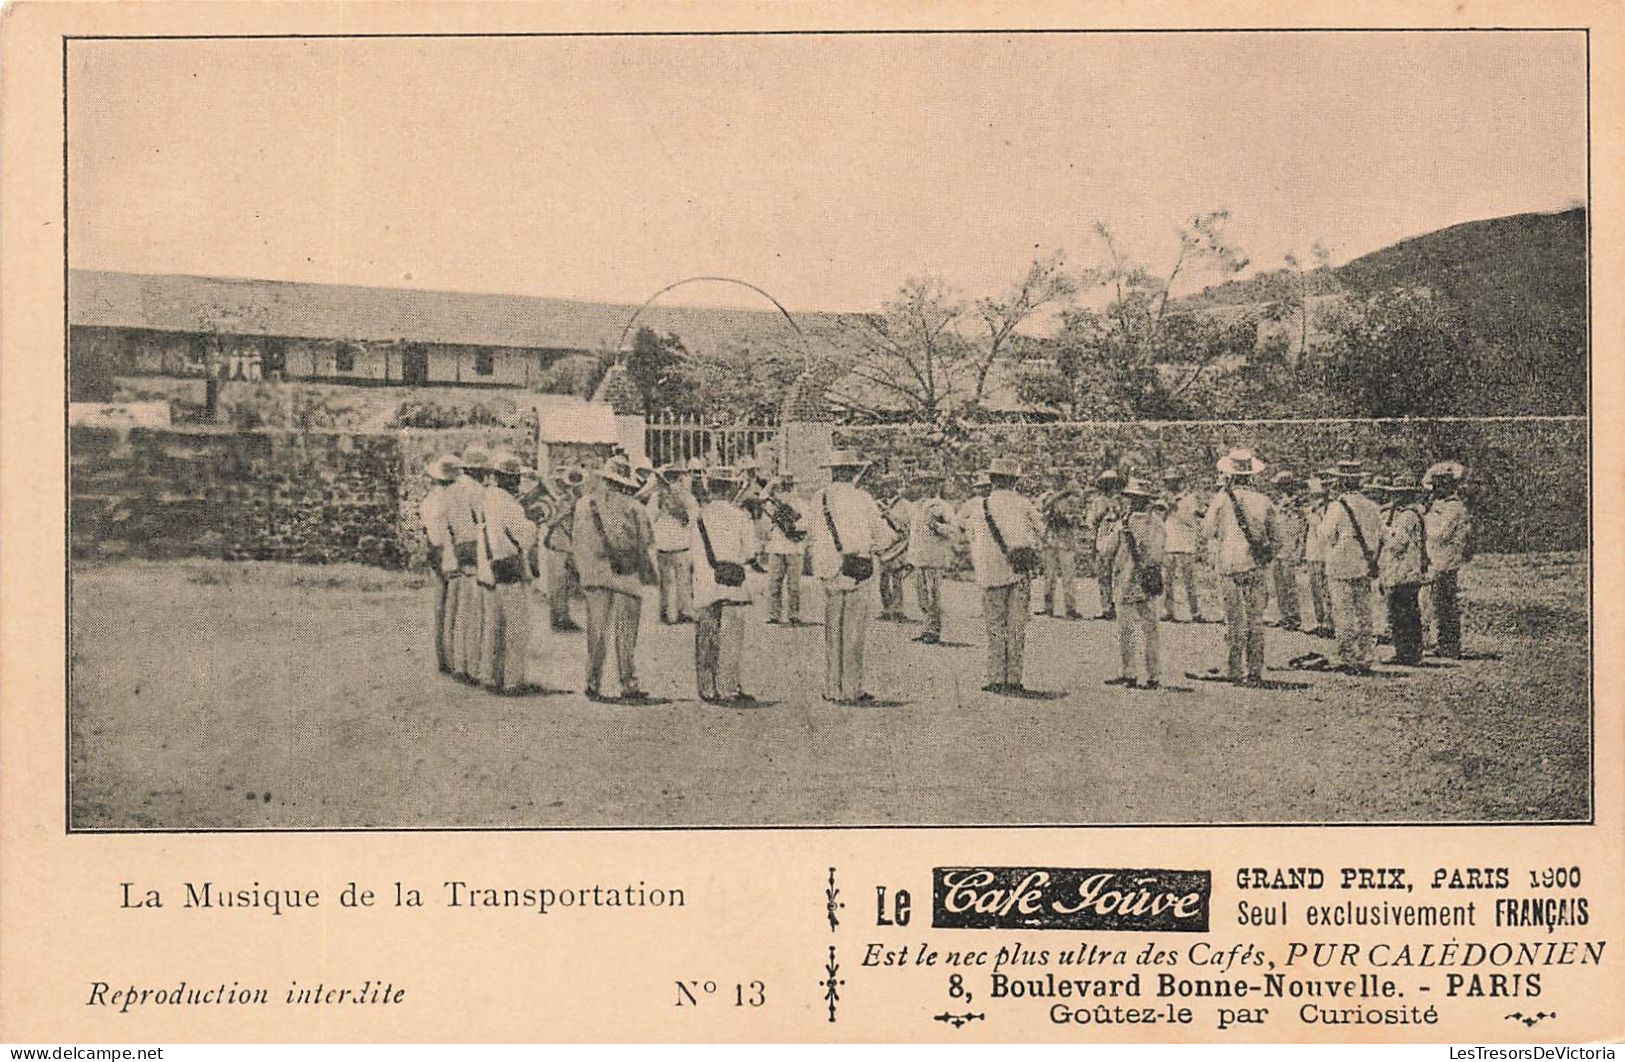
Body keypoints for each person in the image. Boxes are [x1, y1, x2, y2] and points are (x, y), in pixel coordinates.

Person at [808, 449, 895, 704]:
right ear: (855, 472)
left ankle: (831, 687)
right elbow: (882, 538)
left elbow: (811, 531)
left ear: (833, 472)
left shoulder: (819, 498)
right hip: (858, 566)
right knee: (854, 631)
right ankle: (851, 688)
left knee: (832, 628)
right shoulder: (863, 499)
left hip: (830, 567)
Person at [573, 455, 657, 702]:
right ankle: (628, 682)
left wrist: (586, 570)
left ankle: (593, 681)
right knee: (626, 633)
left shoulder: (583, 505)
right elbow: (646, 541)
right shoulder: (635, 507)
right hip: (626, 574)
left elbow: (578, 542)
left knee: (596, 633)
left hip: (594, 575)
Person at [961, 458, 1044, 693]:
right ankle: (1014, 678)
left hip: (990, 572)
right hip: (1019, 570)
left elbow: (971, 537)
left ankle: (997, 677)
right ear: (1014, 481)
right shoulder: (1024, 503)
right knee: (1016, 626)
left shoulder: (980, 506)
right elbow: (1041, 530)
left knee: (995, 626)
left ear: (993, 480)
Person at [1202, 448, 1280, 686]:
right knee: (1255, 620)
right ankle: (1255, 670)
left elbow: (1206, 531)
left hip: (1228, 565)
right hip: (1254, 565)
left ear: (1229, 474)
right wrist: (1266, 556)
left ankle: (1234, 669)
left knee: (1234, 619)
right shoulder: (1264, 501)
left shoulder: (1221, 500)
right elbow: (1278, 539)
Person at [691, 466, 758, 703]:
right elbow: (751, 552)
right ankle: (728, 687)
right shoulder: (740, 515)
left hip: (705, 581)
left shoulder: (697, 515)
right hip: (733, 581)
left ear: (709, 487)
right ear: (730, 488)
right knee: (730, 638)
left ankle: (706, 688)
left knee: (706, 637)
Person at [478, 451, 539, 694]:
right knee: (517, 625)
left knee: (494, 624)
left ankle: (489, 675)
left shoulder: (489, 497)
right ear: (510, 479)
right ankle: (513, 679)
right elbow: (525, 538)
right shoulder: (510, 505)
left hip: (491, 565)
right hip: (510, 565)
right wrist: (533, 522)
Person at [1101, 477, 1166, 689]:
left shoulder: (1122, 525)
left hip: (1125, 582)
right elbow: (1158, 555)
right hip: (1148, 581)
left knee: (1126, 630)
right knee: (1151, 630)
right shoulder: (1157, 524)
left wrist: (1103, 531)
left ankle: (1129, 672)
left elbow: (1105, 551)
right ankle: (1153, 675)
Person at [1319, 459, 1384, 674]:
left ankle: (1348, 655)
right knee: (1364, 611)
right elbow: (1382, 535)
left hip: (1340, 564)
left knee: (1343, 611)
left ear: (1340, 482)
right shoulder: (1372, 507)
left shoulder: (1337, 507)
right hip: (1364, 563)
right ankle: (1366, 655)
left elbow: (1326, 535)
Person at [444, 447, 491, 684]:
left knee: (461, 611)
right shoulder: (479, 492)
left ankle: (458, 663)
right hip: (475, 550)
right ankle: (473, 667)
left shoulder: (451, 490)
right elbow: (484, 523)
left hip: (457, 549)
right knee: (475, 614)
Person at [1379, 473, 1430, 666]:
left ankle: (1406, 652)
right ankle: (1409, 651)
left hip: (1404, 569)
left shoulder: (1407, 516)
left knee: (1403, 612)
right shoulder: (1411, 514)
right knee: (1406, 611)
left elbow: (1398, 544)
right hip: (1407, 569)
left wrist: (1384, 532)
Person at [1422, 461, 1471, 658]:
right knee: (1437, 603)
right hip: (1437, 559)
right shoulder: (1438, 505)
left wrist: (1423, 524)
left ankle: (1449, 645)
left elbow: (1440, 534)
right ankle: (1442, 642)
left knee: (1445, 604)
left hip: (1446, 560)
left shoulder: (1454, 507)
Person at [419, 452, 461, 674]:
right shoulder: (450, 501)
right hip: (448, 553)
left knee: (440, 606)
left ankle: (442, 658)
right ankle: (450, 656)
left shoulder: (429, 500)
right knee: (453, 607)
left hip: (435, 552)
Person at [907, 473, 957, 645]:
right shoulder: (916, 507)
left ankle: (933, 629)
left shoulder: (943, 507)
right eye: (923, 484)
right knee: (921, 595)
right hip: (918, 555)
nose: (926, 488)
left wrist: (936, 526)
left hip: (934, 556)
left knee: (933, 594)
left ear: (937, 487)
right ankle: (926, 626)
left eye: (930, 484)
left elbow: (953, 530)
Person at [649, 463, 696, 625]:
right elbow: (694, 518)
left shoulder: (664, 496)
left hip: (673, 543)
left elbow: (693, 517)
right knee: (677, 580)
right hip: (673, 544)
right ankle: (674, 612)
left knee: (671, 581)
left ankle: (672, 612)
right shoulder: (662, 497)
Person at [1159, 469, 1207, 623]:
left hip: (1186, 544)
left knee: (1189, 580)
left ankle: (1195, 611)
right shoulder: (1164, 499)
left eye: (1173, 481)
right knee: (1167, 580)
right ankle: (1168, 610)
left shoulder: (1189, 498)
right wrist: (1166, 508)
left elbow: (1192, 519)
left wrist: (1176, 509)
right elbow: (1160, 520)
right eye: (1168, 482)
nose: (1170, 484)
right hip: (1169, 544)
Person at [761, 472, 809, 625]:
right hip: (776, 547)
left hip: (794, 547)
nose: (786, 489)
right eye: (782, 486)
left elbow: (807, 524)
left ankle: (794, 614)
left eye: (788, 485)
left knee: (793, 585)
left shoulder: (800, 503)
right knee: (774, 583)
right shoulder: (772, 504)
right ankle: (774, 614)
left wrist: (792, 526)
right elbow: (762, 498)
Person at [1036, 477, 1085, 619]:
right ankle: (1048, 607)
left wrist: (1068, 517)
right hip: (1051, 538)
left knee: (1068, 576)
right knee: (1049, 576)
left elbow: (1077, 519)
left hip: (1065, 538)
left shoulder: (1073, 500)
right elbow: (1043, 510)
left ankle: (1070, 608)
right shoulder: (1049, 496)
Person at [1087, 469, 1126, 620]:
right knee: (1104, 574)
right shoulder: (1097, 502)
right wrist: (1100, 515)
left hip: (1118, 536)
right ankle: (1107, 606)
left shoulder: (1122, 501)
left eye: (1113, 483)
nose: (1111, 486)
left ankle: (1120, 606)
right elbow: (1091, 522)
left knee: (1119, 573)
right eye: (1107, 483)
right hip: (1103, 536)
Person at [1268, 470, 1305, 631]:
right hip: (1278, 548)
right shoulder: (1280, 503)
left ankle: (1294, 616)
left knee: (1290, 584)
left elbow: (1301, 530)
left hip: (1289, 547)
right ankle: (1284, 615)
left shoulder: (1296, 505)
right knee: (1279, 585)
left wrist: (1299, 550)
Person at [1301, 474, 1335, 638]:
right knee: (1315, 588)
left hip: (1323, 553)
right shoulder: (1314, 508)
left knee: (1325, 588)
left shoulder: (1329, 508)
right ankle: (1320, 620)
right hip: (1313, 552)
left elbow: (1322, 529)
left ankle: (1329, 621)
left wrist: (1312, 517)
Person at [876, 494, 914, 622]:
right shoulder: (878, 503)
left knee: (897, 578)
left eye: (890, 484)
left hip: (899, 545)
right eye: (885, 485)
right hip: (884, 546)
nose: (887, 489)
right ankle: (887, 609)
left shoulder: (904, 504)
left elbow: (908, 525)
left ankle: (897, 610)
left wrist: (889, 514)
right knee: (883, 579)